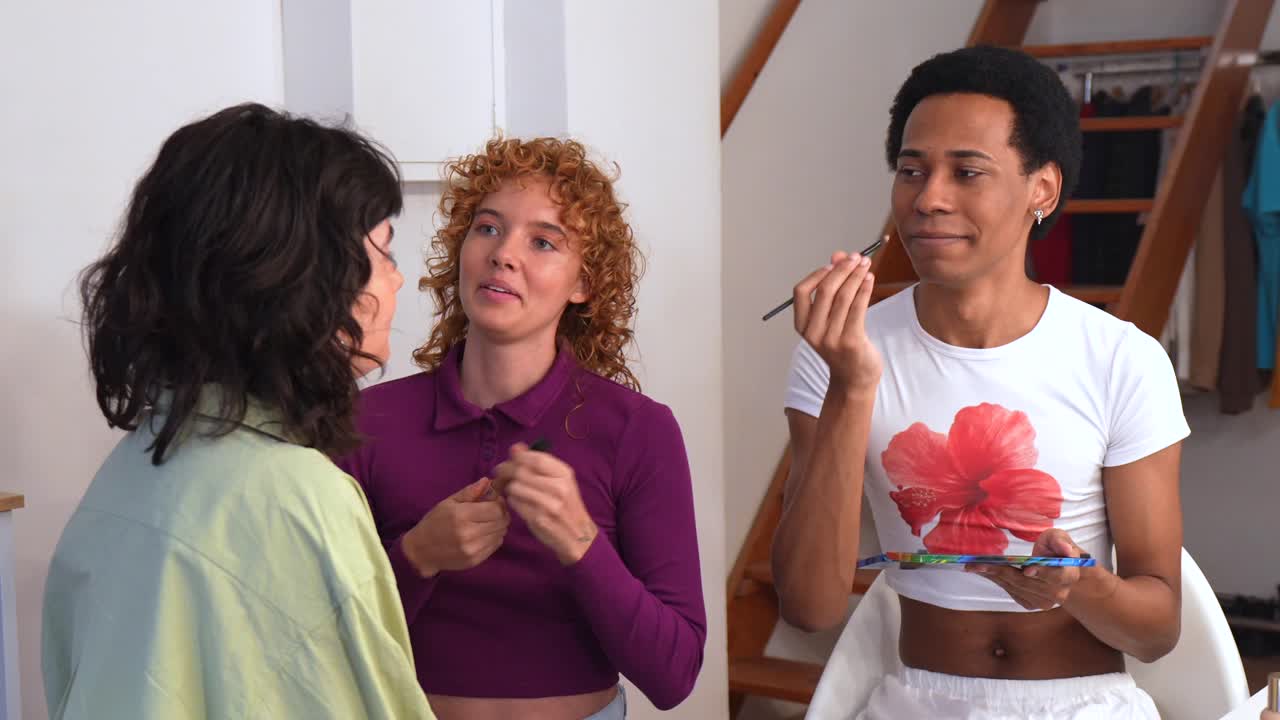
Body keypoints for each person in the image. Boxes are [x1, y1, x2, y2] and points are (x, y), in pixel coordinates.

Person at [773, 46, 1187, 719]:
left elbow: (1158, 630)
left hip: (1083, 704)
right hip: (916, 701)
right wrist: (850, 386)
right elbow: (809, 605)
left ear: (1042, 189)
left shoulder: (1120, 359)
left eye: (967, 172)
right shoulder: (839, 352)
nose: (929, 199)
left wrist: (1074, 587)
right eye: (912, 171)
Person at [43, 103, 435, 720]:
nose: (397, 281)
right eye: (384, 253)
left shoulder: (133, 469)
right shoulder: (296, 499)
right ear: (311, 280)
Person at [337, 136, 706, 719]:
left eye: (543, 241)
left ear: (584, 284)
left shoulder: (640, 430)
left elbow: (674, 675)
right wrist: (417, 556)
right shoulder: (366, 421)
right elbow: (315, 641)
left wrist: (581, 543)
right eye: (487, 228)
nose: (503, 254)